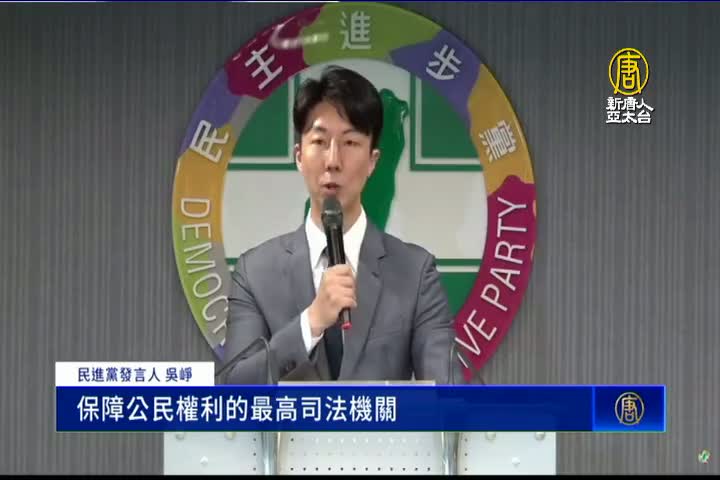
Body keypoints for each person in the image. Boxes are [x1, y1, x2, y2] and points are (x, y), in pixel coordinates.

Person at [221, 65, 463, 385]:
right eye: (320, 141)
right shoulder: (255, 272)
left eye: (349, 143)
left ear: (373, 161)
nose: (333, 161)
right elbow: (233, 388)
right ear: (299, 156)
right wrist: (311, 322)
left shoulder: (415, 272)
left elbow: (448, 392)